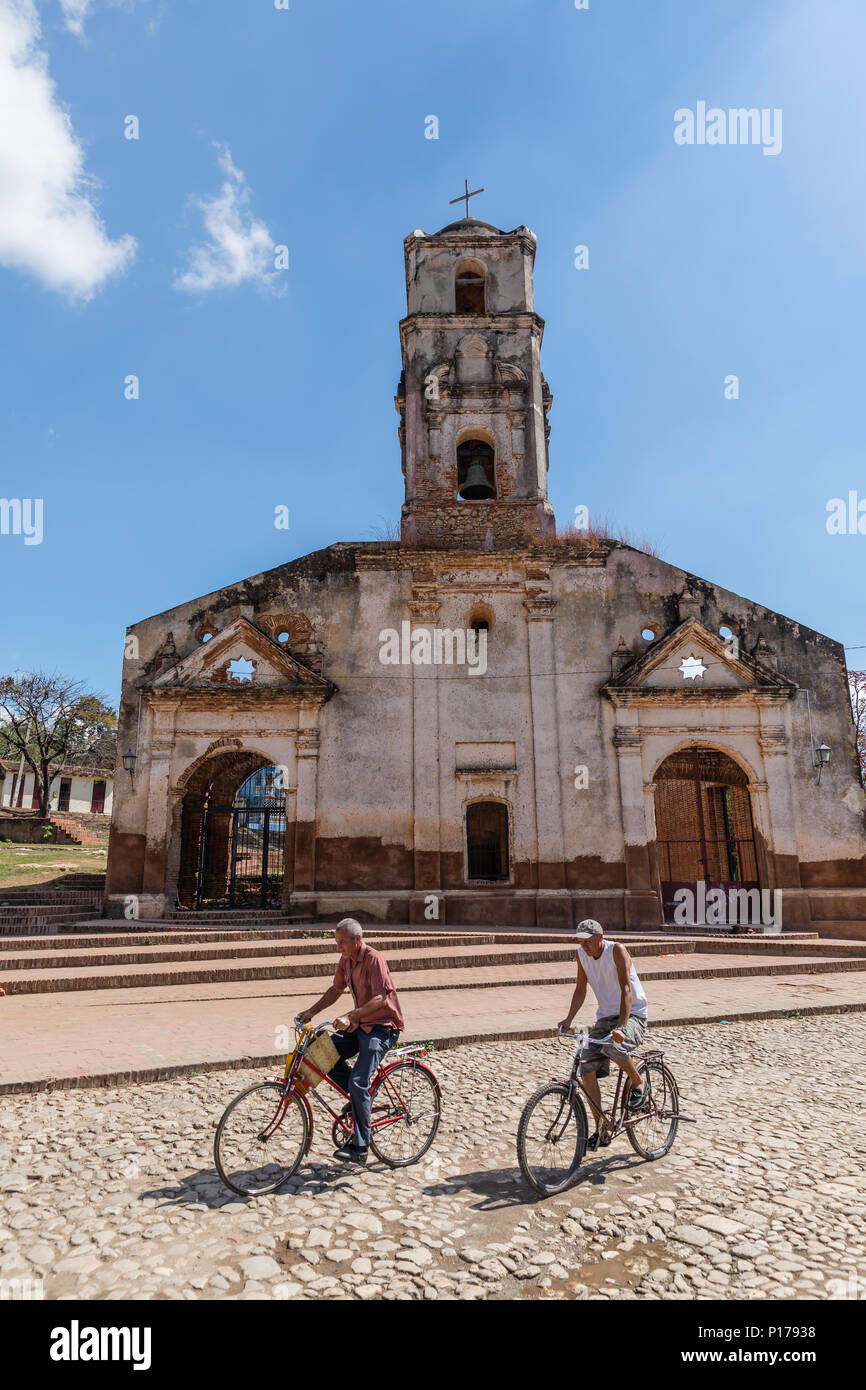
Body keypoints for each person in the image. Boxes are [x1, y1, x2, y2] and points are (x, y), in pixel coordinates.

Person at [297, 918, 405, 1167]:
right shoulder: (346, 960)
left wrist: (349, 1016)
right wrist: (311, 1011)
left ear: (357, 940)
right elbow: (335, 990)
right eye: (337, 943)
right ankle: (359, 1101)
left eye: (342, 943)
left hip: (382, 1027)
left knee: (358, 1081)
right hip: (360, 1025)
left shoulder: (374, 959)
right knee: (324, 1056)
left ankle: (360, 1146)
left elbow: (380, 998)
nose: (339, 948)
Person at [558, 919, 650, 1150]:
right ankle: (602, 1128)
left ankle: (639, 1083)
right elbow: (580, 989)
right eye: (581, 941)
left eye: (588, 941)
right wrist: (568, 1019)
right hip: (605, 1018)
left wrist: (621, 1026)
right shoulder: (581, 955)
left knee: (612, 1047)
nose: (584, 946)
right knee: (586, 1065)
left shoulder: (616, 950)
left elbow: (626, 989)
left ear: (601, 937)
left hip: (632, 1015)